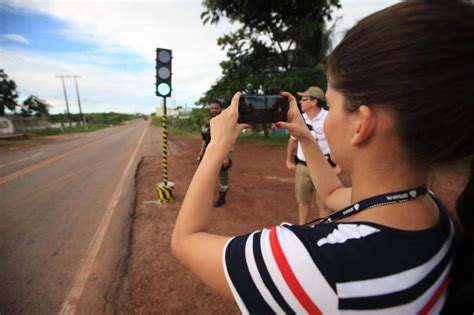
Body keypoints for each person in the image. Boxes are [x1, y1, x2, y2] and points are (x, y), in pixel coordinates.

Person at [172, 1, 474, 313]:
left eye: (330, 103)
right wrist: (305, 135)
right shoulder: (432, 211)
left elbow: (185, 240)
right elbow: (331, 194)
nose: (325, 118)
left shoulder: (318, 267)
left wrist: (216, 146)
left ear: (361, 123)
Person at [286, 86, 334, 224]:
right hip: (303, 167)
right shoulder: (300, 119)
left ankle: (324, 231)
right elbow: (292, 140)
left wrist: (337, 165)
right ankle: (302, 227)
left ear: (314, 102)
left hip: (324, 168)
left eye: (304, 99)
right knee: (303, 200)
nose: (301, 101)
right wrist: (289, 160)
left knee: (325, 203)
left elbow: (338, 140)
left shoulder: (328, 118)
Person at [198, 99, 232, 207]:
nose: (214, 110)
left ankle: (222, 197)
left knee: (222, 176)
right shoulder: (207, 125)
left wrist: (226, 157)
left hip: (220, 155)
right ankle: (206, 194)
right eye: (212, 108)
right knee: (206, 175)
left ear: (221, 109)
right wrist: (200, 154)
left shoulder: (226, 124)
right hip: (207, 154)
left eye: (216, 108)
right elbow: (204, 141)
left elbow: (229, 141)